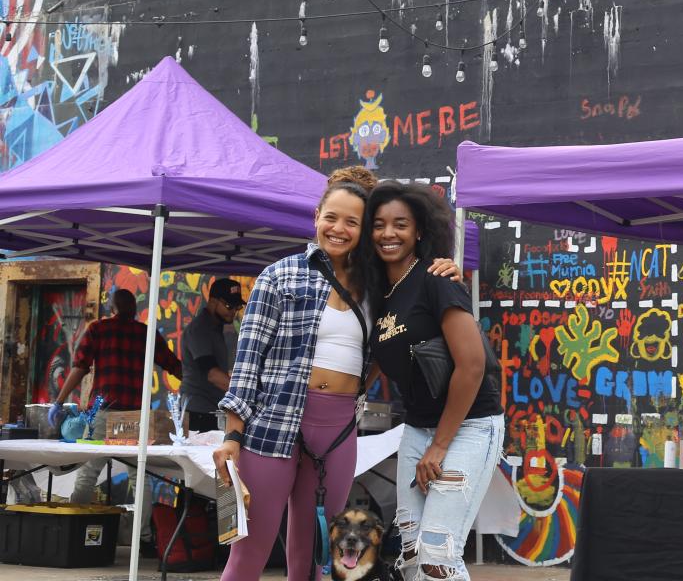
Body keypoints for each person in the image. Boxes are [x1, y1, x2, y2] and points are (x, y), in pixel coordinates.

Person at [213, 167, 463, 581]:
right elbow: (247, 363)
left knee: (315, 557)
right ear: (316, 216)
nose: (339, 229)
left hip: (338, 431)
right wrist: (232, 437)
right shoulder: (280, 275)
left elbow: (395, 336)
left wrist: (445, 268)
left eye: (353, 222)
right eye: (332, 217)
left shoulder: (381, 286)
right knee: (249, 554)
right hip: (272, 426)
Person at [360, 181, 502, 581]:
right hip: (418, 429)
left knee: (438, 555)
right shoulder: (379, 292)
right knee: (410, 554)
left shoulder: (436, 279)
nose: (389, 234)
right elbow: (379, 355)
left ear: (419, 230)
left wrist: (439, 446)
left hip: (468, 426)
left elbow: (472, 365)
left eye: (400, 224)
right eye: (379, 224)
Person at [50, 287, 184, 549]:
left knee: (88, 471)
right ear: (134, 310)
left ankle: (75, 532)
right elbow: (174, 366)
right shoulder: (145, 333)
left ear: (111, 307)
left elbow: (79, 368)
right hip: (135, 413)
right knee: (139, 475)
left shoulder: (98, 329)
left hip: (104, 411)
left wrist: (58, 401)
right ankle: (143, 537)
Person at [182, 277, 246, 433]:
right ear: (212, 301)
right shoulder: (199, 329)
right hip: (198, 413)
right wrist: (244, 392)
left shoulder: (216, 327)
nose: (233, 312)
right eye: (229, 305)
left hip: (210, 409)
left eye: (237, 307)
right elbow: (212, 374)